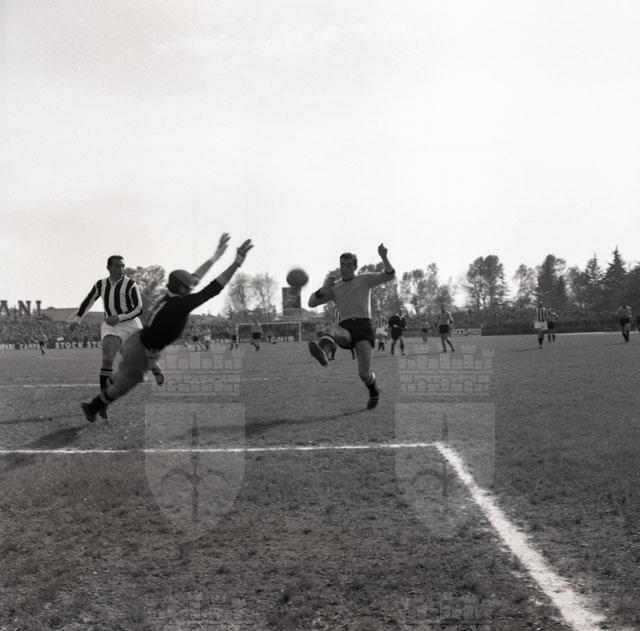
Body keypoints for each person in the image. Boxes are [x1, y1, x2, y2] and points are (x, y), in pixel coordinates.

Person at [80, 235, 252, 422]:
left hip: (138, 340)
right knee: (124, 386)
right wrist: (237, 263)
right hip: (143, 350)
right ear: (181, 288)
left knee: (122, 375)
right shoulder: (179, 305)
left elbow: (197, 277)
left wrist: (216, 256)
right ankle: (93, 407)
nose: (191, 287)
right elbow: (213, 288)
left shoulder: (171, 296)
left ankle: (109, 386)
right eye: (187, 286)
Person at [69, 254, 163, 419]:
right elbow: (89, 300)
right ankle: (102, 404)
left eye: (123, 266)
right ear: (109, 268)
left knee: (142, 358)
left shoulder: (130, 284)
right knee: (107, 358)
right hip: (111, 326)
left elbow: (138, 309)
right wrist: (77, 319)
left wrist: (119, 317)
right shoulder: (101, 284)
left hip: (131, 324)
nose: (121, 269)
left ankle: (154, 368)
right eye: (118, 266)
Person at [307, 244, 395, 410]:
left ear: (355, 267)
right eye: (342, 265)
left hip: (363, 328)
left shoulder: (364, 280)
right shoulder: (335, 288)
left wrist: (384, 257)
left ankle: (374, 390)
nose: (345, 269)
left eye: (348, 265)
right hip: (345, 328)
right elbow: (311, 303)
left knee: (364, 374)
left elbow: (390, 275)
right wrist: (323, 288)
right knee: (330, 329)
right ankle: (325, 354)